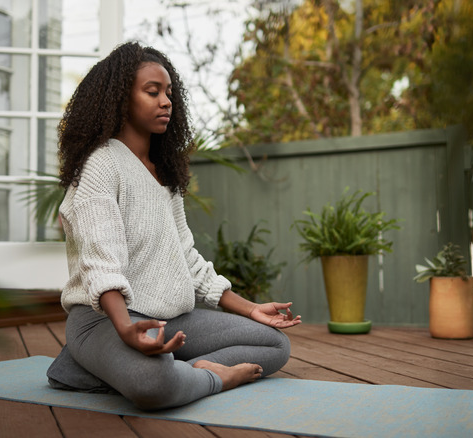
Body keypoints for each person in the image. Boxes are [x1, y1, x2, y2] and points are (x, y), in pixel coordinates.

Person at [46, 41, 301, 411]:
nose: (166, 101)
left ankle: (112, 369)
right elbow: (100, 264)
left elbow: (187, 260)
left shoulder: (163, 174)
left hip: (171, 317)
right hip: (104, 320)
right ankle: (207, 376)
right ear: (119, 99)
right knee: (155, 383)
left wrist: (250, 309)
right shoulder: (100, 165)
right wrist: (125, 331)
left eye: (168, 93)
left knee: (274, 345)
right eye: (152, 92)